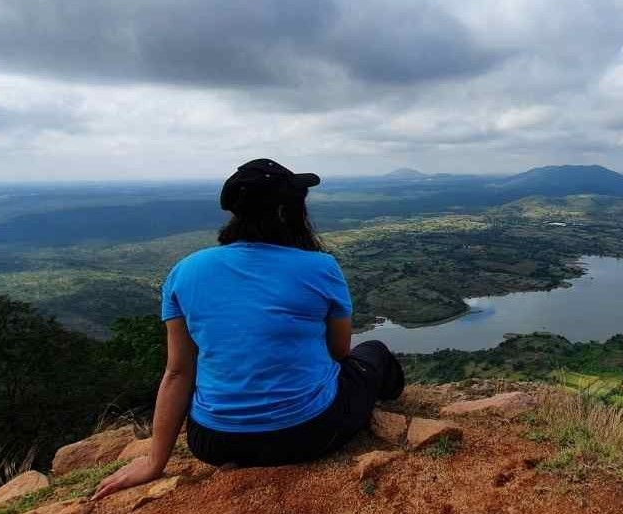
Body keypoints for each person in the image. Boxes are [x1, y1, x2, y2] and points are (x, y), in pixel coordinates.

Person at [93, 159, 403, 499]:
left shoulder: (185, 271)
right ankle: (393, 402)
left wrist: (155, 462)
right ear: (287, 213)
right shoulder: (320, 267)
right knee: (372, 354)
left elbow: (178, 372)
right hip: (307, 433)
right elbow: (340, 352)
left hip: (212, 441)